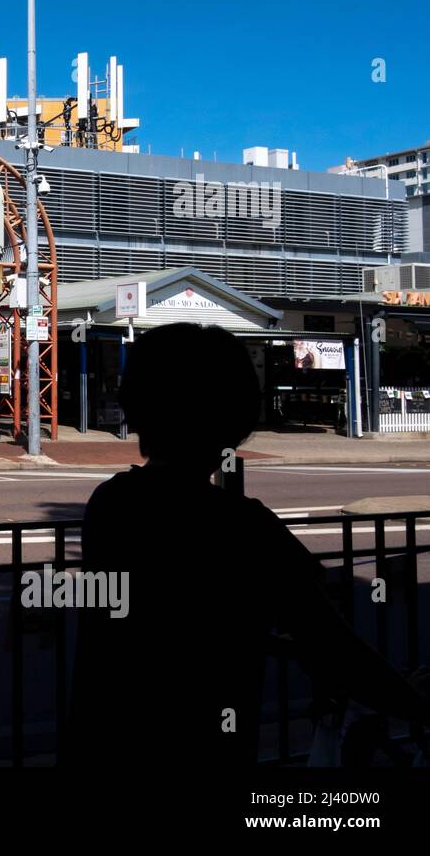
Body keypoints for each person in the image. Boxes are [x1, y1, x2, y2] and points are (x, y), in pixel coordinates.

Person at [63, 323, 430, 767]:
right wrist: (415, 703)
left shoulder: (111, 503)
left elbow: (165, 616)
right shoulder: (243, 526)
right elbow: (330, 642)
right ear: (237, 417)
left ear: (135, 409)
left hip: (107, 740)